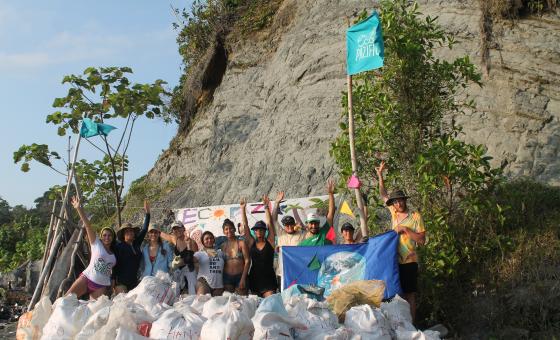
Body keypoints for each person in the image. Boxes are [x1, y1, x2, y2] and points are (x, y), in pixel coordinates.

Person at [376, 160, 426, 322]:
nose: (398, 203)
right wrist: (380, 175)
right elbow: (383, 194)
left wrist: (405, 229)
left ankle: (411, 325)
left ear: (405, 200)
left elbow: (422, 240)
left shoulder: (415, 217)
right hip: (393, 260)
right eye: (396, 201)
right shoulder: (394, 213)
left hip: (409, 261)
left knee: (410, 294)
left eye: (400, 200)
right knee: (397, 294)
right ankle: (401, 324)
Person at [67, 196, 116, 299]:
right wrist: (79, 208)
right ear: (101, 237)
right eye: (104, 235)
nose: (107, 237)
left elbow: (110, 272)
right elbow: (88, 225)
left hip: (101, 286)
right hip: (87, 278)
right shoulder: (96, 243)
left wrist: (111, 285)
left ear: (113, 237)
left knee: (93, 312)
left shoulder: (114, 256)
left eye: (109, 235)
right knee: (66, 300)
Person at [241, 196, 278, 297]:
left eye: (261, 229)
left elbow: (270, 223)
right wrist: (242, 209)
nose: (259, 231)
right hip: (254, 279)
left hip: (269, 280)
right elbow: (245, 224)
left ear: (265, 231)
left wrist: (266, 207)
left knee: (270, 304)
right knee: (255, 306)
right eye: (256, 229)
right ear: (254, 231)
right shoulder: (251, 242)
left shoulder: (270, 241)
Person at [112, 200, 150, 294]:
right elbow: (114, 265)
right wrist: (113, 280)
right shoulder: (119, 246)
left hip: (134, 281)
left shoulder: (136, 243)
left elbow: (144, 229)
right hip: (121, 282)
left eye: (131, 231)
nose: (130, 233)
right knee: (123, 303)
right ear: (123, 235)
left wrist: (147, 214)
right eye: (127, 232)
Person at [271, 191, 306, 284]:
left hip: (297, 270)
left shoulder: (302, 234)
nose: (289, 226)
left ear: (294, 224)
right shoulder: (280, 233)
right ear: (284, 226)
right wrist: (277, 202)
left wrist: (303, 227)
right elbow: (273, 219)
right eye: (287, 225)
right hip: (282, 272)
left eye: (291, 224)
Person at [159, 221, 199, 295]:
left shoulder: (191, 242)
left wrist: (181, 262)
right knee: (174, 288)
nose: (177, 231)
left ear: (183, 229)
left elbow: (196, 260)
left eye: (179, 228)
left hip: (190, 268)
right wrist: (154, 230)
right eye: (175, 229)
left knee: (192, 289)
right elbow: (163, 235)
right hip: (179, 269)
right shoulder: (175, 239)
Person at [298, 179, 336, 246]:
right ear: (307, 224)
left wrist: (330, 194)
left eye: (316, 223)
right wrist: (280, 249)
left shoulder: (325, 231)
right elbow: (293, 254)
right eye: (311, 223)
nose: (314, 226)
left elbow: (331, 214)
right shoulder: (302, 245)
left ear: (319, 223)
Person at [220, 218, 250, 294]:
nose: (229, 230)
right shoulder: (223, 246)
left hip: (240, 276)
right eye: (226, 229)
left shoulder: (241, 243)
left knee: (243, 302)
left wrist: (243, 278)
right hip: (227, 278)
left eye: (231, 228)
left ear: (234, 229)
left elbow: (247, 261)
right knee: (229, 302)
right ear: (224, 232)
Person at [193, 231, 225, 296]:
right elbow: (192, 259)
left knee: (217, 305)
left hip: (218, 286)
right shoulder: (199, 253)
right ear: (203, 241)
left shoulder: (220, 253)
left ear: (214, 239)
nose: (209, 240)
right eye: (206, 239)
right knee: (201, 303)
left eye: (211, 238)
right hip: (204, 283)